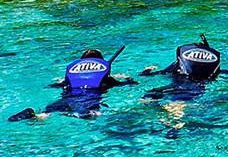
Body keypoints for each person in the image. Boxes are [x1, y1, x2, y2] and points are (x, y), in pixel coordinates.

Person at [7, 46, 136, 121]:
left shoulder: (69, 78)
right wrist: (128, 79)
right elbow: (129, 84)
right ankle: (82, 111)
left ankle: (32, 115)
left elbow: (56, 85)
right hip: (88, 100)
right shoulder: (107, 79)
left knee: (44, 115)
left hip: (65, 99)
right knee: (94, 116)